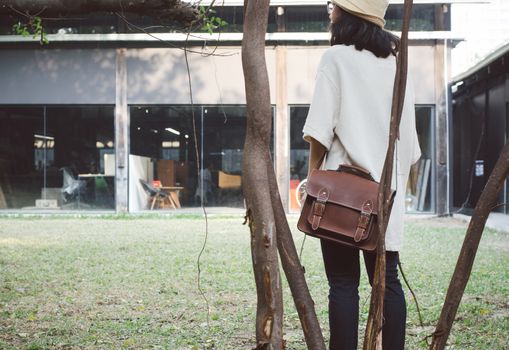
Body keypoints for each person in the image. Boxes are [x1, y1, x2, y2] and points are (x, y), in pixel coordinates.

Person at [302, 1, 421, 349]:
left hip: (338, 197)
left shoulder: (335, 58)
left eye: (333, 4)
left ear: (348, 13)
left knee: (342, 283)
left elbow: (319, 131)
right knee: (388, 283)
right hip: (384, 197)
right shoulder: (399, 66)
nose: (328, 9)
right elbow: (410, 146)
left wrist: (312, 178)